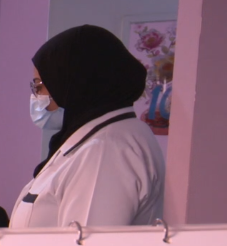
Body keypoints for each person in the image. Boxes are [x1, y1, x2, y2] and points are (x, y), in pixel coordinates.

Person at [12, 24, 163, 228]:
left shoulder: (106, 151)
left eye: (39, 85)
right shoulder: (97, 139)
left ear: (74, 84)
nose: (37, 97)